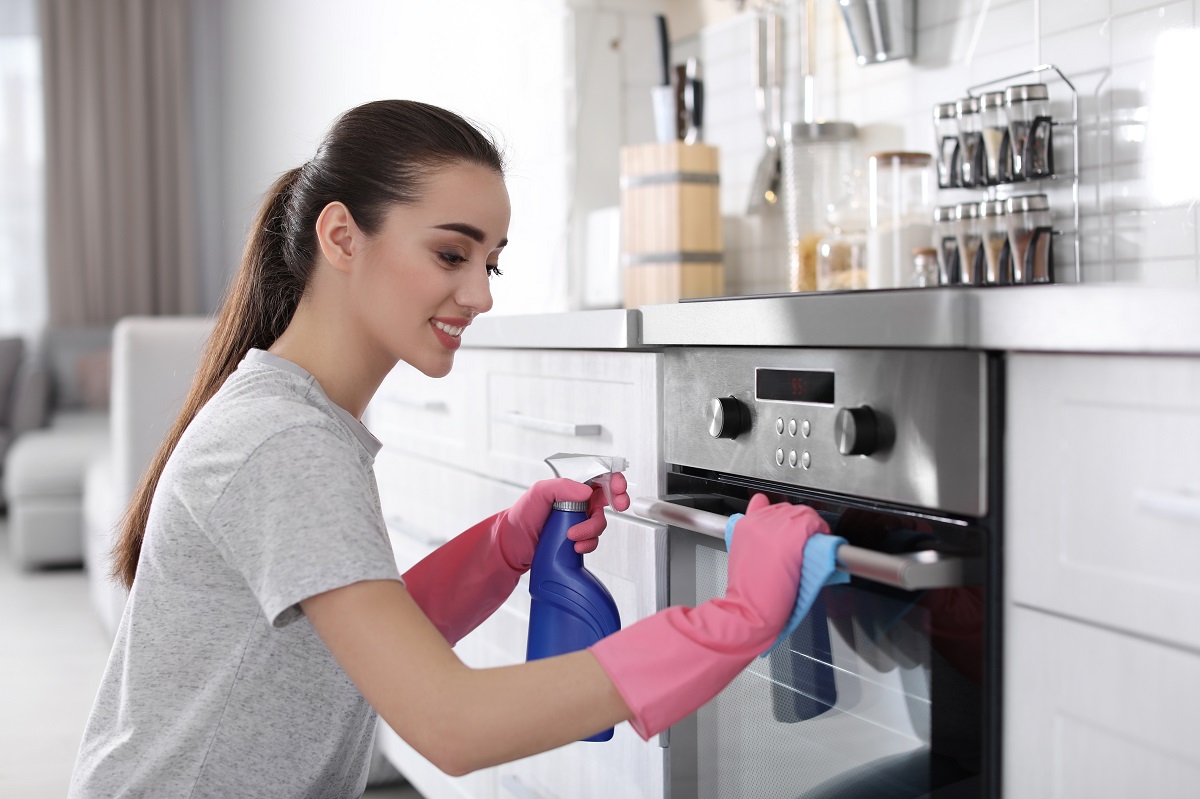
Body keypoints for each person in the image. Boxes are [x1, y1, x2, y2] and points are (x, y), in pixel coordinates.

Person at [68, 99, 828, 798]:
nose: (483, 293)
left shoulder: (298, 417)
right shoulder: (284, 440)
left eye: (490, 261)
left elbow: (356, 653)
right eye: (451, 255)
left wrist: (502, 547)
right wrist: (736, 616)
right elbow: (452, 724)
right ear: (340, 237)